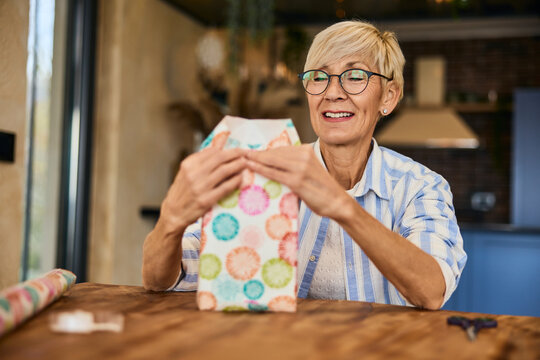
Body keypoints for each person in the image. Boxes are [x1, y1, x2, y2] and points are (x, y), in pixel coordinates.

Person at [142, 20, 466, 310]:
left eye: (355, 76)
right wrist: (170, 222)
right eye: (318, 77)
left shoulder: (420, 186)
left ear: (388, 97)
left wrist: (342, 206)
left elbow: (431, 290)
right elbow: (163, 279)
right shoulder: (264, 170)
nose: (333, 92)